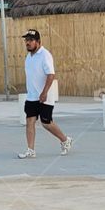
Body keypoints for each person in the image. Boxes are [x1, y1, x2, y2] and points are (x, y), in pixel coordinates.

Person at [18, 29, 72, 159]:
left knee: (46, 123)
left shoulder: (45, 55)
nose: (28, 43)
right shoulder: (29, 57)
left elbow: (51, 75)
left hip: (44, 96)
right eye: (26, 40)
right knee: (30, 121)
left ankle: (65, 140)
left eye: (31, 40)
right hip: (31, 96)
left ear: (38, 42)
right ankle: (30, 150)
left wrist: (44, 92)